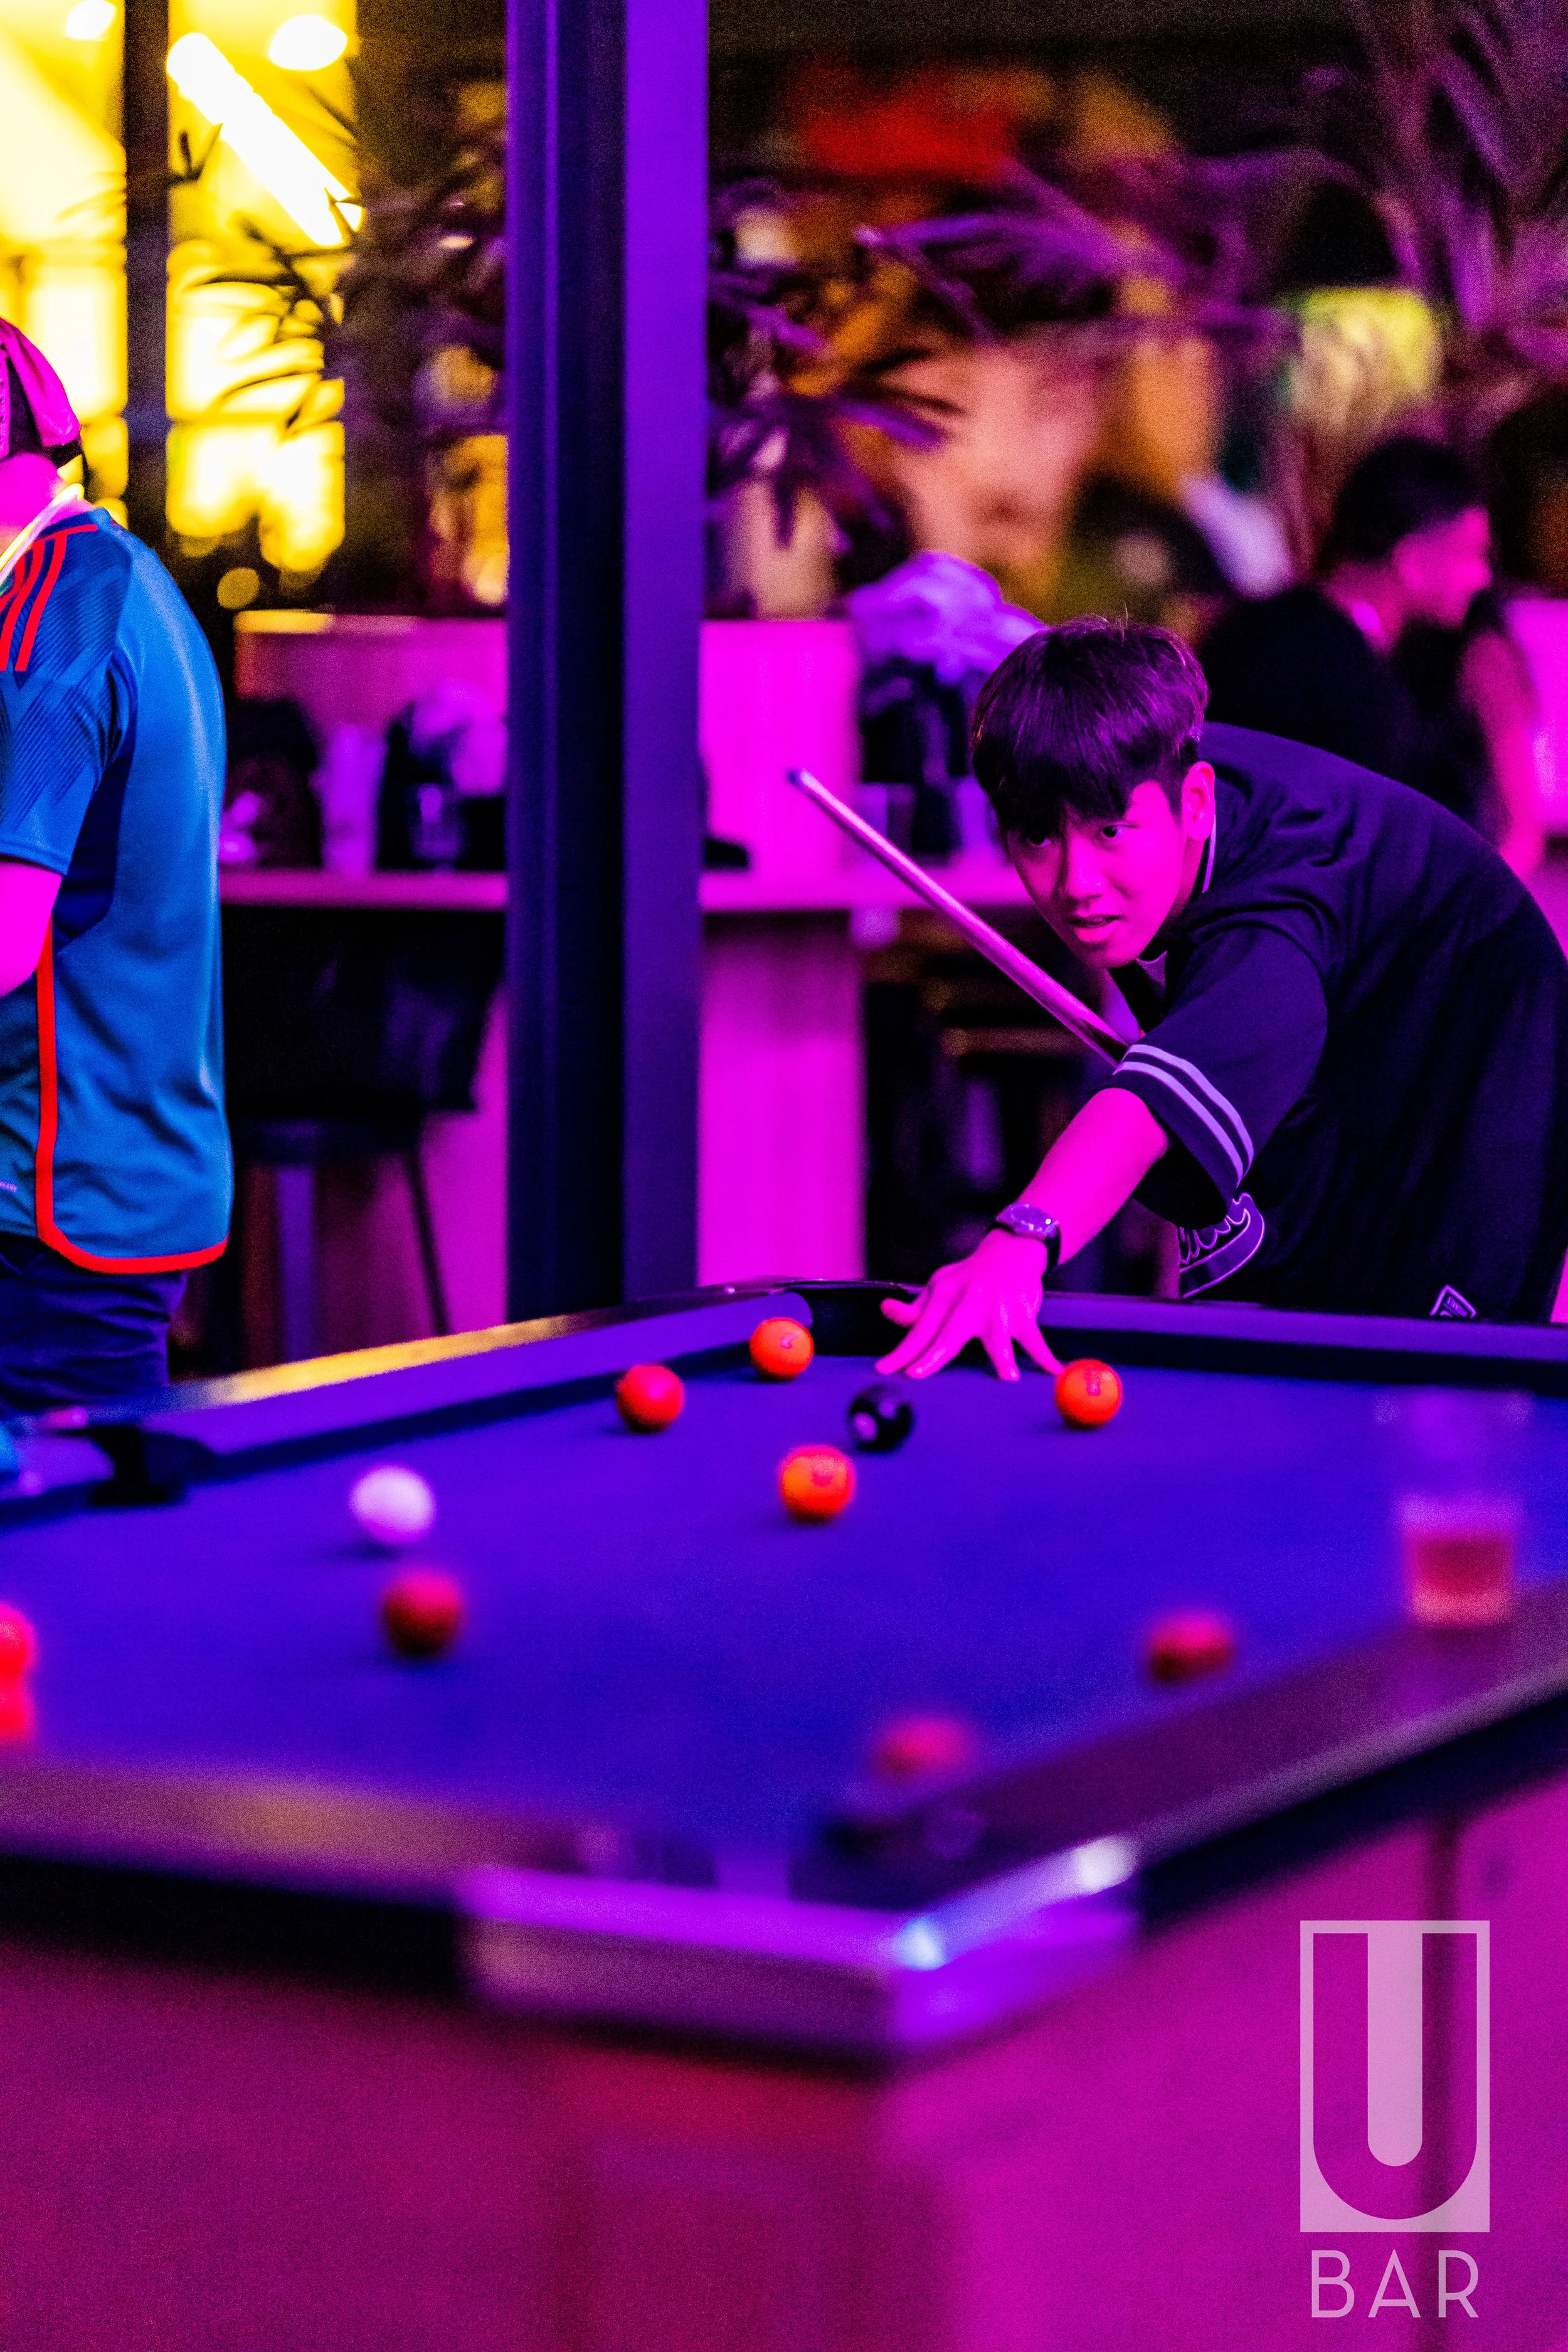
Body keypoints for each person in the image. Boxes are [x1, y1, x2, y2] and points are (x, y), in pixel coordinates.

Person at [877, 617, 1568, 1380]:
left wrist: (1018, 1243)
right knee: (1270, 1352)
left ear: (1195, 805)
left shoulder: (1275, 918)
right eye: (1038, 837)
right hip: (1343, 1065)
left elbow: (1148, 1104)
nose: (1076, 882)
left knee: (1426, 1408)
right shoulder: (1146, 771)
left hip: (1477, 1098)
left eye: (1110, 832)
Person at [0, 322, 229, 1410]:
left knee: (58, 1560)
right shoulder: (117, 575)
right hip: (111, 1175)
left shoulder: (44, 631)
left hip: (43, 1206)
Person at [1199, 436, 1542, 873]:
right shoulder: (1348, 687)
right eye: (1470, 554)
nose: (1481, 578)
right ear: (1412, 559)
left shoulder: (1261, 628)